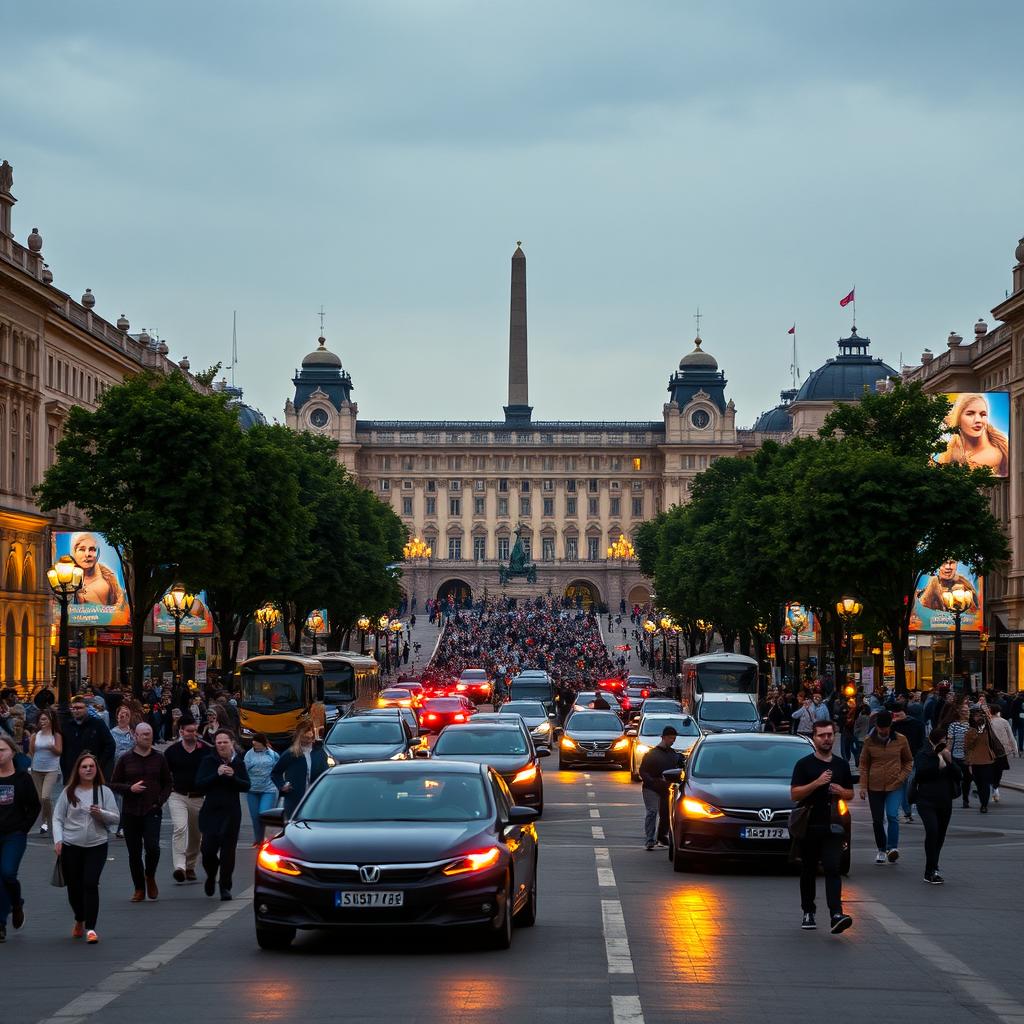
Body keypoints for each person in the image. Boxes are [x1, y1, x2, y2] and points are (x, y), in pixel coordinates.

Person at [789, 720, 854, 934]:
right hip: (810, 825)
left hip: (834, 825)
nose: (827, 739)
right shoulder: (804, 764)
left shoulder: (841, 765)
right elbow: (795, 794)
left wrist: (840, 791)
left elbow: (850, 793)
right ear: (814, 738)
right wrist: (816, 783)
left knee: (833, 868)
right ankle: (808, 911)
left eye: (830, 735)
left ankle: (836, 913)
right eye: (822, 736)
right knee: (808, 869)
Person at [52, 752, 119, 943]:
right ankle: (79, 918)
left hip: (96, 844)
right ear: (78, 770)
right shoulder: (68, 792)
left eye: (91, 766)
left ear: (96, 769)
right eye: (84, 767)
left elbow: (115, 817)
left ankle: (91, 928)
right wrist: (58, 840)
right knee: (74, 887)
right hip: (71, 845)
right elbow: (57, 818)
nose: (88, 769)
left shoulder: (103, 791)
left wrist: (102, 813)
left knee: (90, 883)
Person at [110, 723, 172, 902]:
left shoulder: (159, 758)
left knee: (153, 848)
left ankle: (150, 875)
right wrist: (130, 788)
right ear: (135, 736)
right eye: (143, 734)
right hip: (131, 811)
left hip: (152, 809)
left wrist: (159, 801)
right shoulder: (125, 759)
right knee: (134, 852)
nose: (147, 737)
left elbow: (168, 782)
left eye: (149, 734)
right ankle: (138, 887)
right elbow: (113, 783)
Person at [196, 730, 250, 900]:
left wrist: (233, 776)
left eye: (224, 742)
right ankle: (211, 875)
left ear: (231, 743)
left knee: (228, 852)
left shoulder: (238, 763)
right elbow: (199, 784)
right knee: (207, 850)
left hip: (231, 813)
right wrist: (216, 774)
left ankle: (225, 886)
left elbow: (246, 785)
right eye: (218, 742)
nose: (221, 745)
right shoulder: (208, 761)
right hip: (211, 812)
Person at [0, 733, 41, 942]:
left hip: (14, 834)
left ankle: (16, 904)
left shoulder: (22, 777)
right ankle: (1, 924)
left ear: (12, 752)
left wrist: (24, 828)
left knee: (7, 873)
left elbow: (34, 806)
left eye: (2, 750)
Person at [858, 709, 913, 864]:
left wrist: (901, 777)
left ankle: (893, 848)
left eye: (886, 728)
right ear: (876, 726)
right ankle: (881, 849)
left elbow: (909, 761)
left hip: (894, 784)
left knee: (892, 815)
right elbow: (863, 764)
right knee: (877, 820)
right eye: (880, 728)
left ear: (890, 726)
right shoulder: (869, 740)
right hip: (874, 786)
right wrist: (863, 786)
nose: (883, 731)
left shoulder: (901, 740)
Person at [163, 714, 209, 884]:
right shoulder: (171, 752)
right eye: (189, 731)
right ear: (181, 731)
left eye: (195, 730)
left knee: (197, 835)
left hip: (199, 797)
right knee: (180, 829)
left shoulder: (205, 750)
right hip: (178, 796)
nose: (193, 734)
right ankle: (180, 867)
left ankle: (190, 866)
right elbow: (164, 774)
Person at [910, 728, 959, 884]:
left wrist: (949, 761)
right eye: (945, 739)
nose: (947, 742)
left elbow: (960, 775)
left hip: (944, 800)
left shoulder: (946, 754)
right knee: (932, 831)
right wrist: (936, 761)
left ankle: (933, 867)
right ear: (938, 740)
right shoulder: (923, 753)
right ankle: (930, 870)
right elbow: (921, 774)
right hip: (926, 799)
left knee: (940, 835)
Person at [934, 392, 1009, 475]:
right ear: (958, 418)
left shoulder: (995, 454)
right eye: (970, 414)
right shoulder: (952, 449)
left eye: (983, 414)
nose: (978, 420)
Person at [638, 726, 684, 850]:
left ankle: (662, 836)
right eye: (670, 738)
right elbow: (642, 771)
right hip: (651, 788)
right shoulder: (651, 754)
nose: (672, 741)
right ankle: (649, 840)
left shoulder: (674, 755)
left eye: (674, 739)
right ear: (663, 737)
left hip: (667, 789)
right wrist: (651, 782)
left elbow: (680, 771)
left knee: (666, 814)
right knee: (652, 812)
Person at [271, 721, 329, 819]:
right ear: (299, 737)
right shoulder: (291, 753)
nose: (309, 741)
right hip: (294, 800)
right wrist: (282, 785)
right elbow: (275, 773)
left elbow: (326, 774)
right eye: (306, 738)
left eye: (311, 738)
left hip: (315, 799)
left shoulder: (320, 753)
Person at [61, 696, 115, 782]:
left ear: (87, 708)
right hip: (73, 772)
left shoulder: (97, 724)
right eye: (73, 708)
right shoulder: (67, 726)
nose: (76, 710)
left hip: (92, 771)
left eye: (79, 708)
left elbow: (110, 745)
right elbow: (64, 751)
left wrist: (99, 764)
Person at [69, 532, 125, 607]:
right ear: (74, 553)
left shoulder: (103, 584)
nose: (87, 554)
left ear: (98, 553)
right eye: (82, 549)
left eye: (92, 549)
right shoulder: (66, 576)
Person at [29, 708, 63, 835]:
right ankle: (45, 823)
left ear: (51, 720)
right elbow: (32, 751)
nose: (42, 722)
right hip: (36, 770)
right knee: (40, 799)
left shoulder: (56, 735)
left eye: (44, 719)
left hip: (52, 769)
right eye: (40, 719)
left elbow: (59, 751)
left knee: (46, 796)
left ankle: (50, 822)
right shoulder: (35, 735)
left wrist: (51, 747)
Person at [243, 733, 280, 847]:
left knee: (263, 814)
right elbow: (243, 770)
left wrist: (280, 783)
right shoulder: (248, 755)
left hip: (268, 789)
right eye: (254, 744)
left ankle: (266, 839)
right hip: (252, 790)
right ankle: (258, 840)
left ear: (263, 744)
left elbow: (278, 770)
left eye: (257, 744)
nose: (255, 746)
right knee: (255, 817)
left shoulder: (273, 755)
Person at [891, 707, 925, 823]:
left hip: (907, 758)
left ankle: (906, 810)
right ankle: (907, 810)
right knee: (907, 784)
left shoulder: (895, 726)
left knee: (906, 784)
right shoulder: (917, 724)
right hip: (906, 758)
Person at [964, 707, 997, 813]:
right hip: (975, 760)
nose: (978, 718)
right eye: (976, 716)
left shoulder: (987, 728)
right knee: (979, 783)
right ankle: (983, 802)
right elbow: (968, 746)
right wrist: (976, 734)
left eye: (980, 716)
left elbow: (993, 741)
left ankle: (984, 804)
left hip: (987, 760)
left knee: (985, 783)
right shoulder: (970, 730)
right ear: (972, 718)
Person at [986, 704, 1017, 801]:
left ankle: (993, 787)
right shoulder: (1004, 721)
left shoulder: (988, 721)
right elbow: (1011, 736)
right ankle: (995, 787)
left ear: (990, 711)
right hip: (1002, 750)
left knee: (990, 769)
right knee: (999, 770)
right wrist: (1015, 749)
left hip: (990, 749)